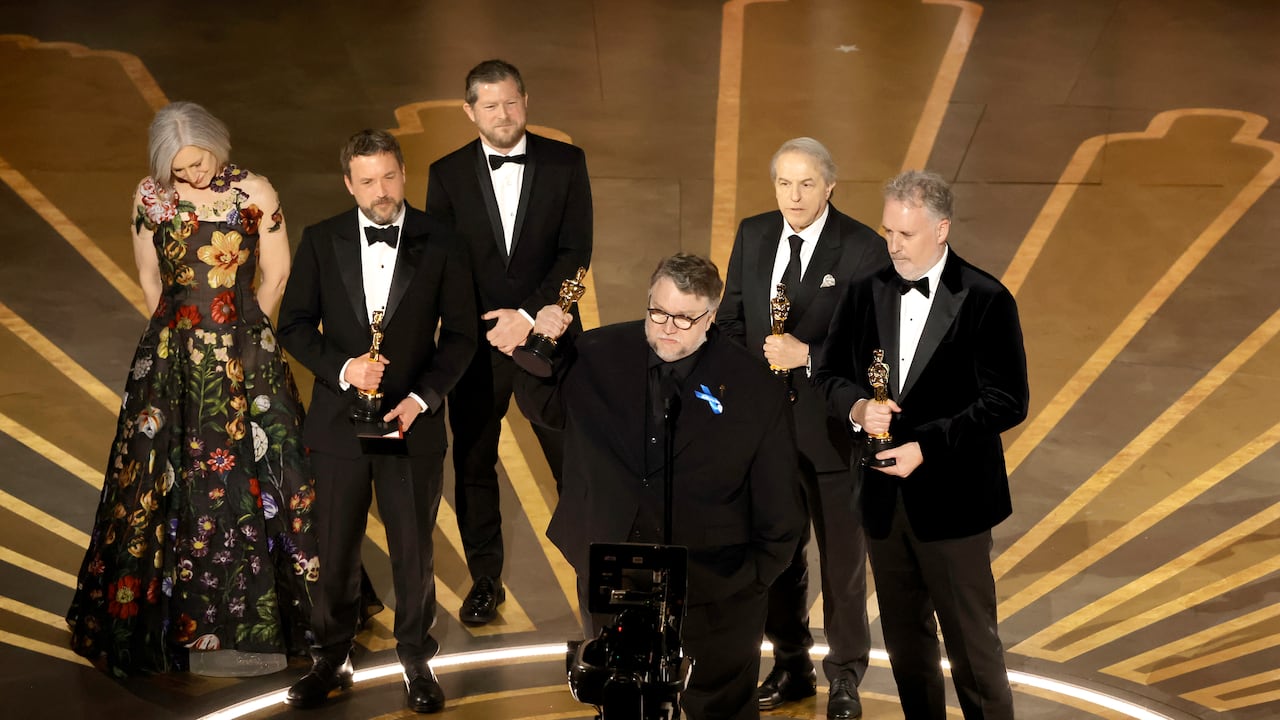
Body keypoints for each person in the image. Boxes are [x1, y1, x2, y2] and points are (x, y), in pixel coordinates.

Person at [66, 101, 318, 677]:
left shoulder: (255, 191)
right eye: (179, 170)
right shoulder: (150, 198)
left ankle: (269, 618)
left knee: (265, 476)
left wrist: (247, 332)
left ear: (216, 146)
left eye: (198, 163)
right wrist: (176, 334)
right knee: (161, 484)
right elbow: (150, 278)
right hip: (172, 356)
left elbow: (275, 273)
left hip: (247, 351)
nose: (192, 177)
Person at [516, 253, 805, 720]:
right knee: (620, 705)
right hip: (612, 580)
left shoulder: (755, 388)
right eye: (659, 312)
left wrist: (749, 581)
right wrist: (542, 342)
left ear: (710, 318)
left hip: (716, 592)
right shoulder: (597, 353)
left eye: (685, 318)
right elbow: (542, 408)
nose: (668, 328)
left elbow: (780, 508)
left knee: (722, 709)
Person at [812, 170, 1029, 719]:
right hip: (884, 501)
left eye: (905, 235)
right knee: (908, 647)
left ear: (942, 229)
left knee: (973, 651)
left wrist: (926, 446)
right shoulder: (866, 290)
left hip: (955, 505)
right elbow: (832, 374)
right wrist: (859, 408)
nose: (892, 245)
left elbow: (1007, 401)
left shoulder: (986, 299)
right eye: (888, 232)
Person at [276, 129, 476, 713]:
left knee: (413, 549)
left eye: (389, 176)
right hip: (340, 423)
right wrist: (344, 370)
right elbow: (293, 327)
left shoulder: (443, 240)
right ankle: (331, 657)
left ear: (403, 173)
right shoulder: (320, 239)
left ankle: (416, 658)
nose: (380, 190)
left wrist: (422, 398)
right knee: (335, 547)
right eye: (367, 181)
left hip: (410, 421)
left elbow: (462, 335)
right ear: (349, 184)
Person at [718, 137, 888, 719]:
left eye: (806, 184)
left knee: (843, 563)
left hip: (836, 436)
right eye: (784, 183)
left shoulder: (864, 248)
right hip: (766, 433)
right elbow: (732, 321)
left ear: (830, 187)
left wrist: (807, 356)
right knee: (777, 557)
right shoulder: (754, 232)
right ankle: (791, 666)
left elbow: (872, 346)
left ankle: (844, 676)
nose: (794, 195)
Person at [426, 58, 592, 626]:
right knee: (474, 463)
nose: (504, 114)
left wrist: (527, 316)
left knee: (572, 460)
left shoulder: (567, 163)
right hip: (475, 345)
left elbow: (576, 253)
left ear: (527, 99)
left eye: (512, 102)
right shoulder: (445, 174)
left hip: (548, 336)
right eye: (490, 105)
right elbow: (442, 265)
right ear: (470, 111)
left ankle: (592, 575)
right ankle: (485, 581)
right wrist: (488, 324)